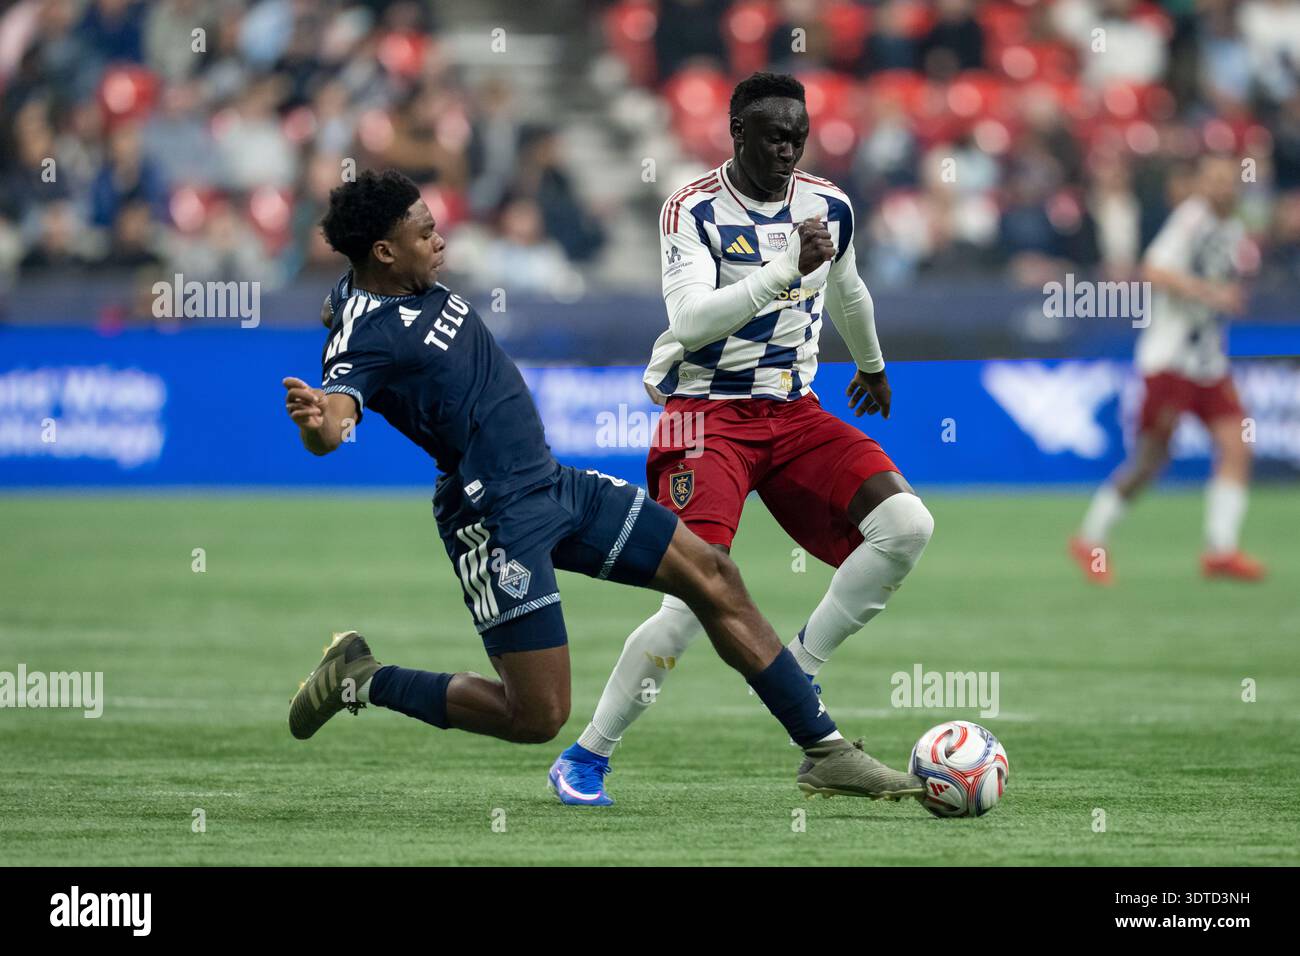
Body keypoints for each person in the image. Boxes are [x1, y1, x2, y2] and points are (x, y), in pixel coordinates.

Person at [281, 168, 923, 804]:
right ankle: (362, 678)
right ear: (386, 252)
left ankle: (825, 751)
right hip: (494, 519)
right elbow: (338, 412)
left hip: (554, 484)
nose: (440, 239)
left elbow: (336, 299)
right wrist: (320, 424)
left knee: (713, 576)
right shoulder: (364, 335)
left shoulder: (376, 286)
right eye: (425, 232)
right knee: (536, 715)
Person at [549, 73, 933, 805]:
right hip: (705, 416)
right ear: (738, 134)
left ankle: (799, 667)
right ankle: (587, 755)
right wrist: (788, 267)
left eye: (798, 135)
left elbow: (847, 290)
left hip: (792, 413)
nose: (788, 149)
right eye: (773, 136)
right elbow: (690, 321)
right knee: (695, 598)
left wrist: (874, 364)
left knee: (907, 525)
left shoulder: (831, 205)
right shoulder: (691, 211)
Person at [1072, 154, 1264, 583]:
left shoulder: (1233, 228)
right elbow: (1154, 269)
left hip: (1208, 362)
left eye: (1227, 180)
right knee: (1149, 462)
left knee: (1236, 444)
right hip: (1169, 361)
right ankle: (1090, 538)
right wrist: (1209, 293)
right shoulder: (1190, 219)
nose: (1221, 187)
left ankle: (1220, 548)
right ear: (1200, 184)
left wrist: (1226, 296)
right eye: (1212, 179)